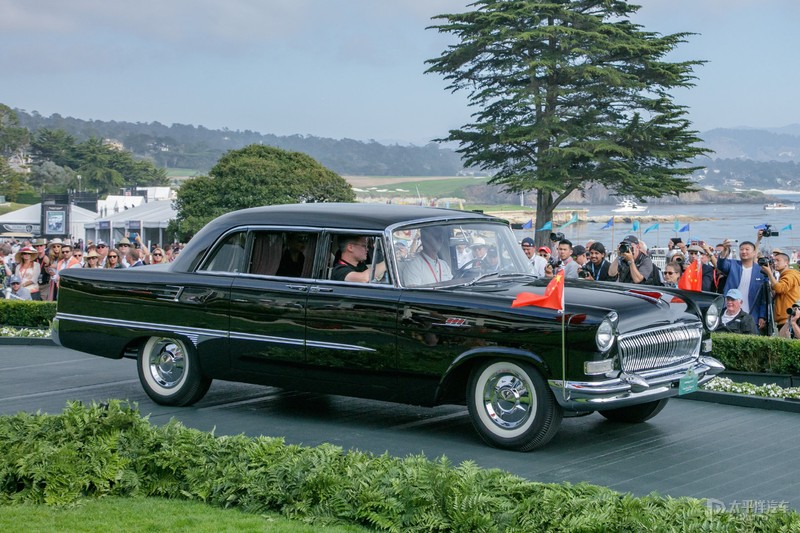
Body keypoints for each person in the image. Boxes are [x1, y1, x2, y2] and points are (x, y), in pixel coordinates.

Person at [706, 240, 769, 333]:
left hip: (752, 312)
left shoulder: (761, 270)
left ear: (754, 252)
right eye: (741, 249)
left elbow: (763, 297)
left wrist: (762, 315)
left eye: (747, 249)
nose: (744, 252)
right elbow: (721, 265)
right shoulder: (733, 264)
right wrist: (724, 250)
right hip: (731, 310)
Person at [760, 251, 800, 331]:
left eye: (778, 260)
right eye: (774, 260)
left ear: (786, 262)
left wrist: (769, 274)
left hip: (789, 318)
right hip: (787, 318)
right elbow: (777, 293)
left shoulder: (790, 275)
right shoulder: (785, 276)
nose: (775, 263)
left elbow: (779, 288)